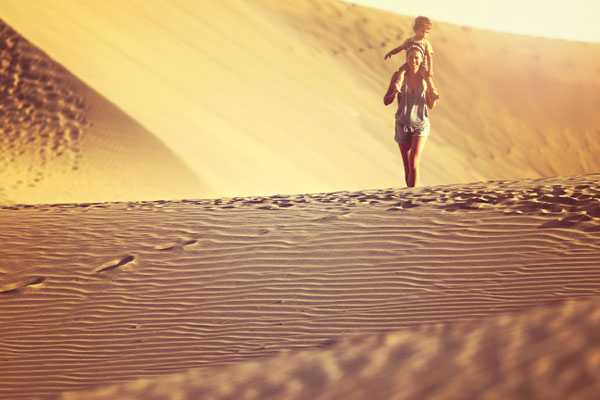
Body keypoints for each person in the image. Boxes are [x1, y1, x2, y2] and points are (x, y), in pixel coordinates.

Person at [383, 45, 438, 187]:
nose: (413, 60)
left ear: (421, 60)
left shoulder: (425, 78)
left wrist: (432, 98)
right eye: (410, 57)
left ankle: (413, 198)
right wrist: (395, 91)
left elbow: (430, 106)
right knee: (407, 166)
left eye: (416, 58)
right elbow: (386, 101)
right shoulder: (398, 76)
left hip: (421, 125)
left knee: (414, 161)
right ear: (406, 59)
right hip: (402, 125)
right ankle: (409, 199)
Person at [384, 16, 439, 100]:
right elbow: (399, 48)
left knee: (427, 76)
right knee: (401, 70)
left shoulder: (426, 43)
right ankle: (398, 85)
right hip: (409, 63)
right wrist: (391, 52)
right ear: (415, 30)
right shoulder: (409, 41)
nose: (424, 34)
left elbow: (429, 57)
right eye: (422, 32)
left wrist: (430, 70)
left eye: (426, 32)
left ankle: (433, 91)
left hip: (421, 65)